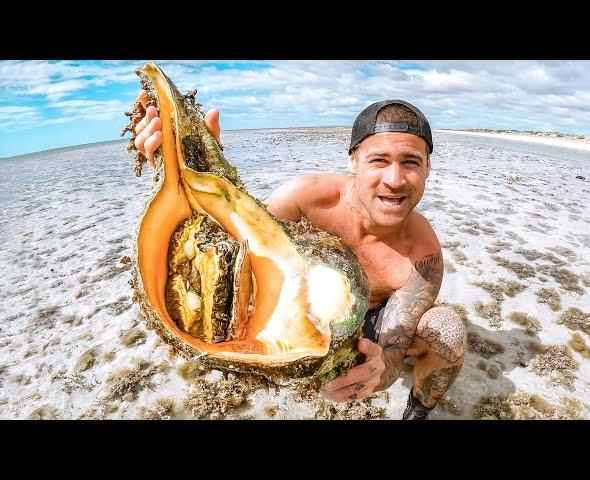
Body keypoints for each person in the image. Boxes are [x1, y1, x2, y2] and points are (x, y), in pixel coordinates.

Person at [133, 91, 467, 420]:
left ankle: (418, 410)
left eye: (411, 162)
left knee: (447, 330)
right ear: (353, 160)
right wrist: (191, 165)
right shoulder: (305, 198)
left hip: (368, 327)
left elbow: (393, 349)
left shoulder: (423, 257)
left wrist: (378, 372)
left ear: (427, 168)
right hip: (295, 312)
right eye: (379, 160)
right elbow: (240, 241)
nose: (394, 180)